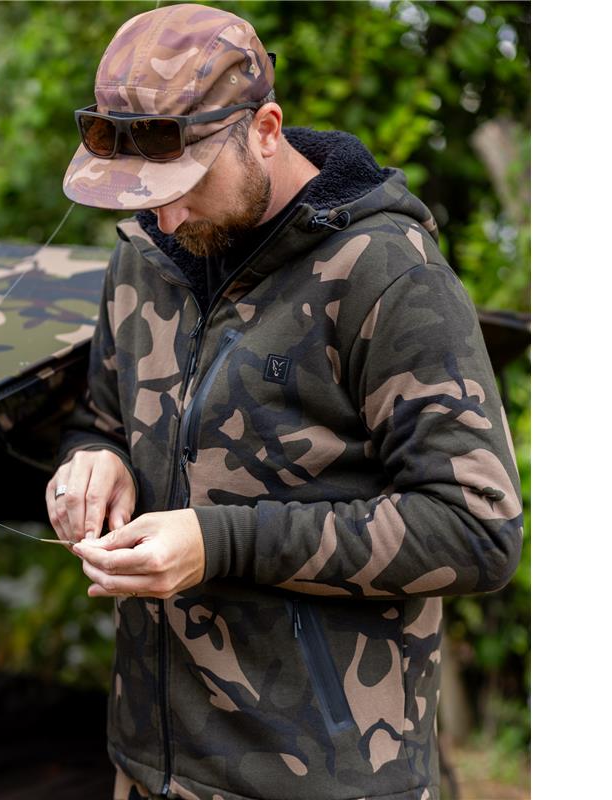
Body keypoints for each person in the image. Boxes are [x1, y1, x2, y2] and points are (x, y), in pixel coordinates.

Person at [45, 4, 523, 800]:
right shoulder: (143, 257)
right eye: (142, 192)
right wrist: (92, 460)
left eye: (186, 185)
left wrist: (219, 542)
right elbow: (100, 419)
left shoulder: (389, 274)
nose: (163, 216)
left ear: (265, 130)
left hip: (324, 780)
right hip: (150, 766)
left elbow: (477, 529)